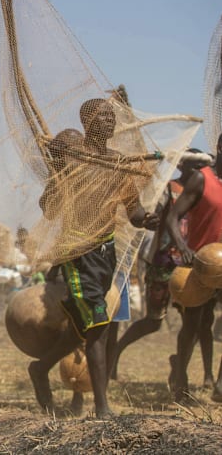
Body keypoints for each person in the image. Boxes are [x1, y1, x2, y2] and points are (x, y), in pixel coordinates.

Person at [29, 99, 158, 418]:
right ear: (85, 120)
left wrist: (148, 220)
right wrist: (59, 176)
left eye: (111, 116)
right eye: (101, 115)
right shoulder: (72, 160)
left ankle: (41, 367)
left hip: (106, 252)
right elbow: (48, 208)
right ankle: (102, 408)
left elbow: (134, 212)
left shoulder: (118, 163)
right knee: (98, 325)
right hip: (76, 253)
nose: (108, 121)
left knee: (83, 329)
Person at [110, 150, 212, 383]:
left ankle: (180, 372)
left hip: (193, 266)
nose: (198, 170)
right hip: (164, 262)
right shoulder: (169, 189)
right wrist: (151, 220)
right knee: (154, 321)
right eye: (193, 165)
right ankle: (116, 351)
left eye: (201, 166)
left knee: (193, 322)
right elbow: (153, 219)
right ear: (182, 167)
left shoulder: (207, 193)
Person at [166, 135, 222, 402]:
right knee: (192, 325)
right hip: (199, 266)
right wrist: (184, 248)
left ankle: (220, 386)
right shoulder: (201, 179)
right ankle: (180, 378)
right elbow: (173, 218)